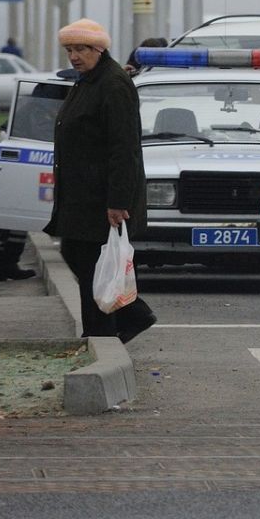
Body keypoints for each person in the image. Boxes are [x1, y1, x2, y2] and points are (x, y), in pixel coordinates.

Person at [45, 18, 155, 342]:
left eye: (80, 49)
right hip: (81, 196)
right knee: (77, 256)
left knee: (92, 265)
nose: (74, 56)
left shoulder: (113, 84)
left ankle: (100, 333)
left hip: (101, 196)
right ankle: (131, 316)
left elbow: (125, 148)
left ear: (99, 48)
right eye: (69, 50)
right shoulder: (88, 80)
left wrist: (118, 201)